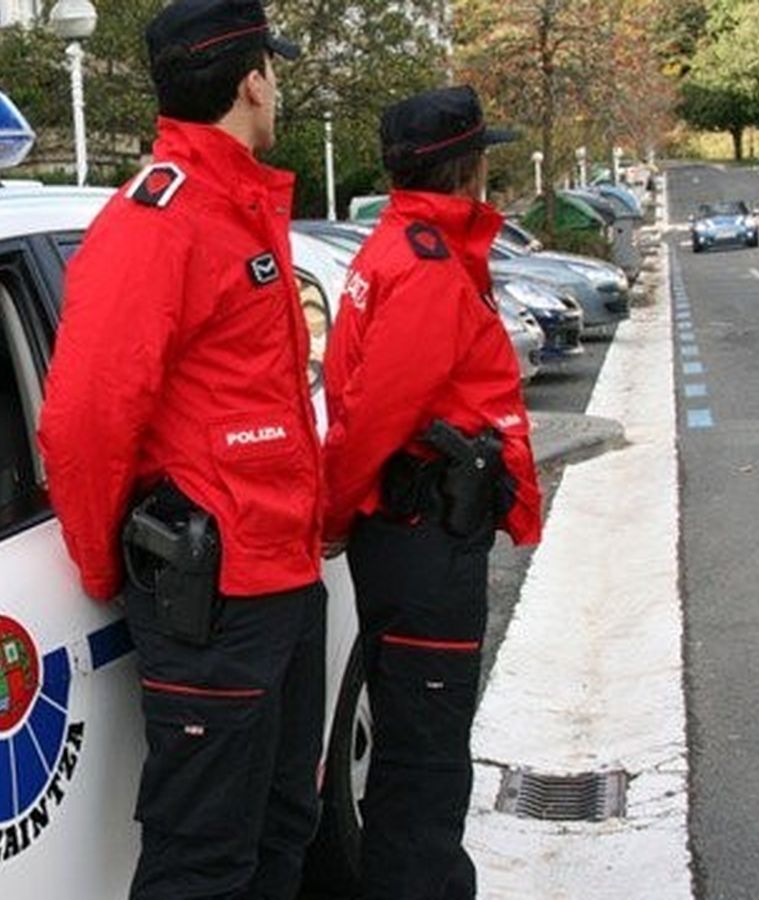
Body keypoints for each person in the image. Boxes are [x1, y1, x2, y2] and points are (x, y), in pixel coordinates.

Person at [36, 0, 327, 897]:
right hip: (215, 600)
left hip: (281, 577)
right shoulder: (157, 220)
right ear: (252, 80)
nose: (276, 87)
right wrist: (101, 568)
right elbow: (84, 421)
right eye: (272, 71)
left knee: (283, 828)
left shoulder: (238, 209)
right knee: (203, 863)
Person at [321, 85, 544, 900]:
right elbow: (374, 417)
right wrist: (334, 517)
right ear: (470, 167)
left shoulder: (400, 249)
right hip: (424, 544)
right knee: (424, 769)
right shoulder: (424, 269)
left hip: (408, 539)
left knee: (415, 758)